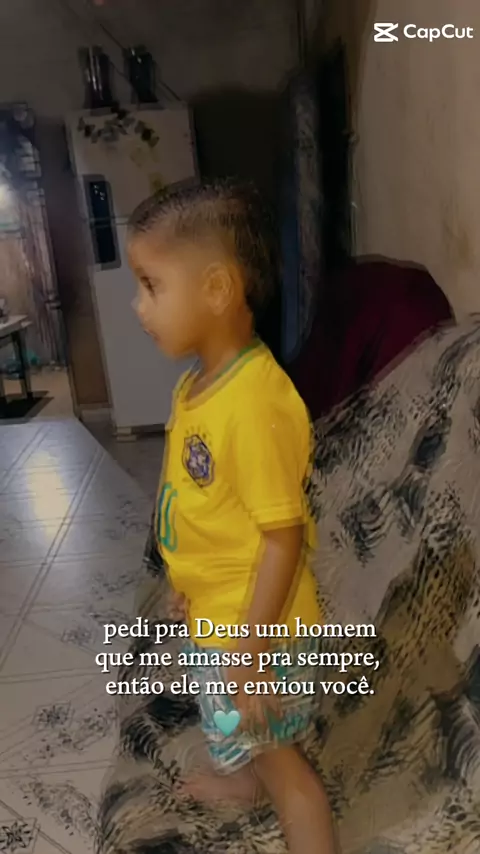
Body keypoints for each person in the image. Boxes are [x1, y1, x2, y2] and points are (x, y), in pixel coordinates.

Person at [127, 180, 336, 854]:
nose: (138, 306)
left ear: (216, 289)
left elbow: (282, 539)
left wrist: (250, 656)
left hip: (261, 635)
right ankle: (245, 781)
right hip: (220, 617)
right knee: (237, 730)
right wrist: (188, 579)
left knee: (286, 769)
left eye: (151, 286)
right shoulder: (199, 384)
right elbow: (207, 505)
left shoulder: (254, 404)